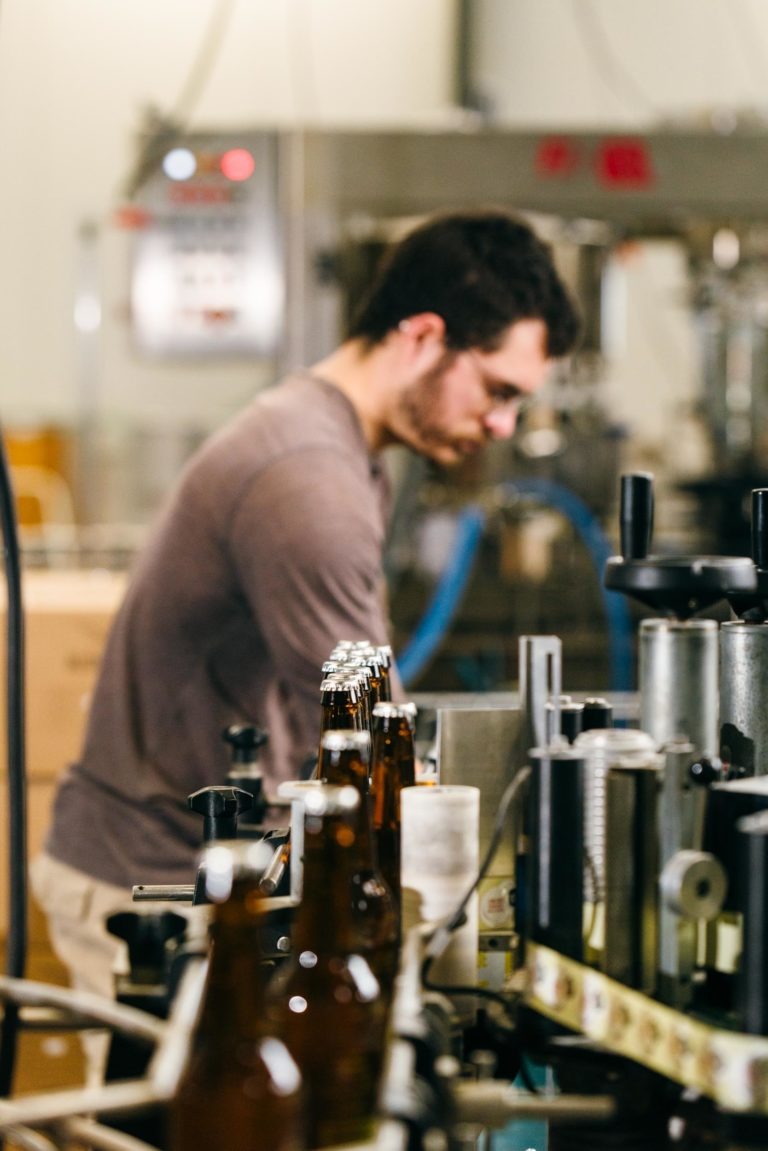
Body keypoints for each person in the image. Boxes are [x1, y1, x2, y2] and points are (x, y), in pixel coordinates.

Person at [32, 207, 579, 1012]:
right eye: (498, 390)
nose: (501, 425)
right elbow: (371, 742)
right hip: (151, 888)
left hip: (202, 873)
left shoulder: (344, 451)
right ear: (424, 336)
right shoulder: (307, 478)